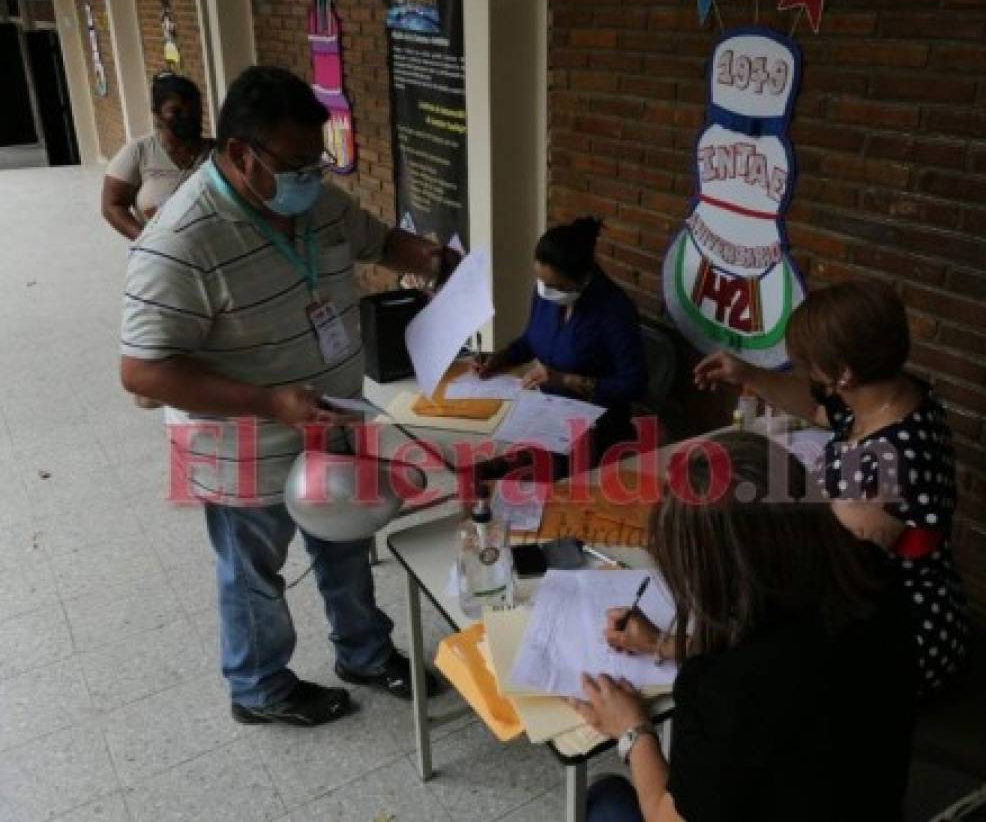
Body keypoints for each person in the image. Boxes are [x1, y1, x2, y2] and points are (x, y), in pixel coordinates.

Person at [119, 66, 460, 726]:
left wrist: (433, 262)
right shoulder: (179, 242)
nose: (315, 172)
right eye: (300, 162)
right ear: (242, 154)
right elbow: (141, 371)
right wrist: (272, 402)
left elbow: (378, 239)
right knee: (253, 573)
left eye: (317, 156)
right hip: (242, 442)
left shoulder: (315, 201)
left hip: (333, 418)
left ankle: (363, 651)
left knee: (345, 543)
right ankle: (259, 689)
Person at [571, 432, 916, 822]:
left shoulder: (726, 689)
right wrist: (664, 644)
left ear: (716, 574)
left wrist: (632, 730)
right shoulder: (872, 576)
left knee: (603, 799)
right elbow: (783, 645)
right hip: (870, 803)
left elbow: (668, 818)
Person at [693, 279, 970, 697]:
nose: (804, 372)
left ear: (844, 374)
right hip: (906, 604)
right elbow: (818, 409)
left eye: (810, 365)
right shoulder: (892, 393)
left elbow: (835, 569)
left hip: (901, 641)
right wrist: (747, 373)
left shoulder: (891, 461)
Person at [475, 215, 648, 472]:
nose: (544, 290)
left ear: (582, 278)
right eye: (540, 281)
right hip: (547, 414)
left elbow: (634, 384)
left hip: (595, 430)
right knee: (481, 460)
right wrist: (500, 358)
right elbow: (531, 340)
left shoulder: (615, 311)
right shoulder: (546, 294)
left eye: (553, 285)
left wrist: (567, 380)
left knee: (519, 480)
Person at [102, 72, 213, 239]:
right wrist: (145, 241)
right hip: (160, 253)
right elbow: (112, 204)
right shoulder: (139, 151)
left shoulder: (217, 153)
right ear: (157, 115)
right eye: (175, 111)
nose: (187, 116)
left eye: (194, 109)